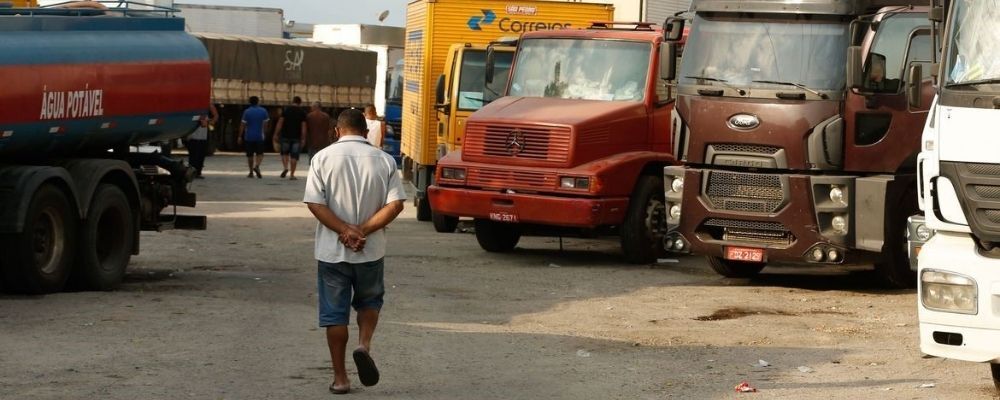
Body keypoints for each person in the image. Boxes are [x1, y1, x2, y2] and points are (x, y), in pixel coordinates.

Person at [303, 109, 406, 395]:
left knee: (335, 316)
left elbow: (315, 203)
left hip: (332, 253)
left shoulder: (321, 158)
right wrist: (363, 231)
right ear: (366, 131)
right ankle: (364, 344)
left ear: (337, 130)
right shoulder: (384, 160)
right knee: (370, 301)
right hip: (370, 250)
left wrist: (345, 231)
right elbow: (396, 205)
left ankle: (340, 378)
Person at [275, 96, 308, 180]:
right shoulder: (302, 112)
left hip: (285, 136)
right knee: (294, 156)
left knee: (284, 153)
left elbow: (280, 122)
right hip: (296, 137)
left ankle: (286, 167)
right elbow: (303, 126)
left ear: (292, 101)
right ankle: (292, 175)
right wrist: (303, 138)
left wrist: (276, 134)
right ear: (300, 103)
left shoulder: (286, 110)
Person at [239, 96, 269, 179]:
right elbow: (266, 124)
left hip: (249, 136)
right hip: (260, 136)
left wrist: (239, 136)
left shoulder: (247, 112)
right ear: (258, 102)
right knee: (260, 153)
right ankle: (257, 166)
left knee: (250, 155)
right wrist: (265, 132)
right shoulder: (263, 111)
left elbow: (243, 124)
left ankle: (251, 172)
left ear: (250, 102)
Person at [187, 103, 218, 179]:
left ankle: (197, 172)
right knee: (194, 155)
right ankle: (193, 172)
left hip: (201, 136)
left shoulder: (206, 104)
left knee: (200, 155)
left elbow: (216, 115)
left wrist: (210, 122)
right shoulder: (192, 105)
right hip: (193, 136)